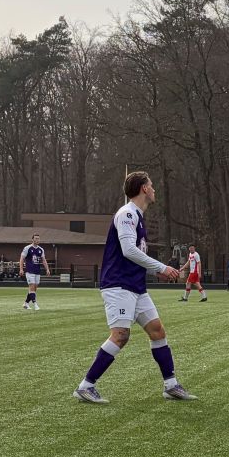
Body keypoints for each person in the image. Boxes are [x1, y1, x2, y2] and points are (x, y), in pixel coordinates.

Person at [75, 172, 193, 403]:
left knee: (157, 331)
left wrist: (156, 272)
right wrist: (162, 267)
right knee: (120, 335)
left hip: (135, 286)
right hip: (119, 285)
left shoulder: (137, 216)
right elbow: (129, 250)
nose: (154, 189)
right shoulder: (127, 213)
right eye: (151, 185)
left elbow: (133, 256)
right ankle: (85, 386)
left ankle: (171, 385)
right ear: (144, 189)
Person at [19, 235, 47, 310]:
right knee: (32, 287)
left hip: (37, 271)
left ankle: (26, 303)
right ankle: (35, 304)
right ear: (32, 239)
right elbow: (22, 259)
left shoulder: (41, 249)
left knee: (34, 289)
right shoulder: (27, 248)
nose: (37, 240)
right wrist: (21, 269)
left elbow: (44, 260)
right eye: (36, 238)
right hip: (29, 271)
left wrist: (47, 269)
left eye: (38, 238)